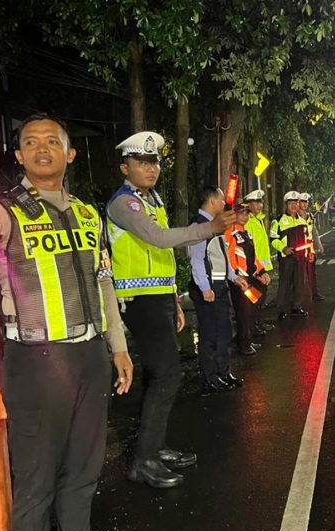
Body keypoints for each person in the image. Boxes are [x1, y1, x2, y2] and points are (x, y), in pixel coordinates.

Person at [0, 114, 133, 531]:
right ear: (19, 155)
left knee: (84, 468)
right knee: (36, 474)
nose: (41, 148)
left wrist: (118, 347)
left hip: (89, 355)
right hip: (33, 358)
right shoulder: (0, 212)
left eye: (52, 141)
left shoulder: (89, 215)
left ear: (69, 154)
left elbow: (104, 283)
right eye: (30, 142)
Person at [105, 131, 237, 489]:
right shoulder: (124, 204)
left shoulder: (153, 200)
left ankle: (155, 448)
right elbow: (159, 239)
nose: (151, 168)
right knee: (168, 375)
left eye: (154, 162)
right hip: (138, 299)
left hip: (159, 297)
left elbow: (160, 259)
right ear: (125, 168)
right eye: (141, 162)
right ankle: (143, 460)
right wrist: (208, 229)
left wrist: (175, 299)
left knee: (157, 375)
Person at [188, 186, 248, 395]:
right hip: (208, 288)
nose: (224, 204)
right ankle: (210, 377)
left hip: (220, 286)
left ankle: (224, 372)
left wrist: (234, 277)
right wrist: (205, 287)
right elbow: (197, 260)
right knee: (210, 335)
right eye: (221, 200)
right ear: (212, 201)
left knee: (224, 331)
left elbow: (222, 255)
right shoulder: (199, 226)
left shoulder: (215, 225)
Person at [225, 202, 270, 355]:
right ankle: (244, 344)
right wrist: (235, 274)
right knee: (244, 312)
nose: (244, 217)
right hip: (240, 281)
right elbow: (229, 256)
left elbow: (253, 257)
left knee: (252, 307)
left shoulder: (246, 233)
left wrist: (261, 271)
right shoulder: (230, 233)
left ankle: (247, 339)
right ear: (234, 214)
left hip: (249, 279)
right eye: (241, 213)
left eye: (246, 214)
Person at [270, 191, 310, 320]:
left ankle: (296, 306)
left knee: (299, 282)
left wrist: (309, 253)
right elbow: (273, 239)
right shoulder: (278, 221)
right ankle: (281, 309)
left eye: (296, 203)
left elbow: (307, 239)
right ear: (286, 205)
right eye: (291, 203)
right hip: (286, 258)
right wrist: (283, 248)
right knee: (285, 283)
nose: (294, 206)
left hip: (301, 257)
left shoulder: (302, 221)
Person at [243, 189, 275, 335]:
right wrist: (257, 270)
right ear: (248, 205)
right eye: (255, 202)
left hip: (262, 267)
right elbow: (250, 248)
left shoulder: (258, 220)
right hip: (254, 269)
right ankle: (253, 326)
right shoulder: (248, 222)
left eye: (260, 202)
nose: (260, 205)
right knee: (254, 298)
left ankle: (258, 322)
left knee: (261, 297)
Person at [298, 192, 325, 301]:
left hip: (309, 249)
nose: (304, 204)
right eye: (302, 202)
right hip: (299, 250)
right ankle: (298, 298)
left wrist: (319, 245)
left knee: (311, 273)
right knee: (299, 276)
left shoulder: (310, 216)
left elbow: (314, 232)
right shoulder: (295, 217)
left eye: (306, 202)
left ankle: (314, 293)